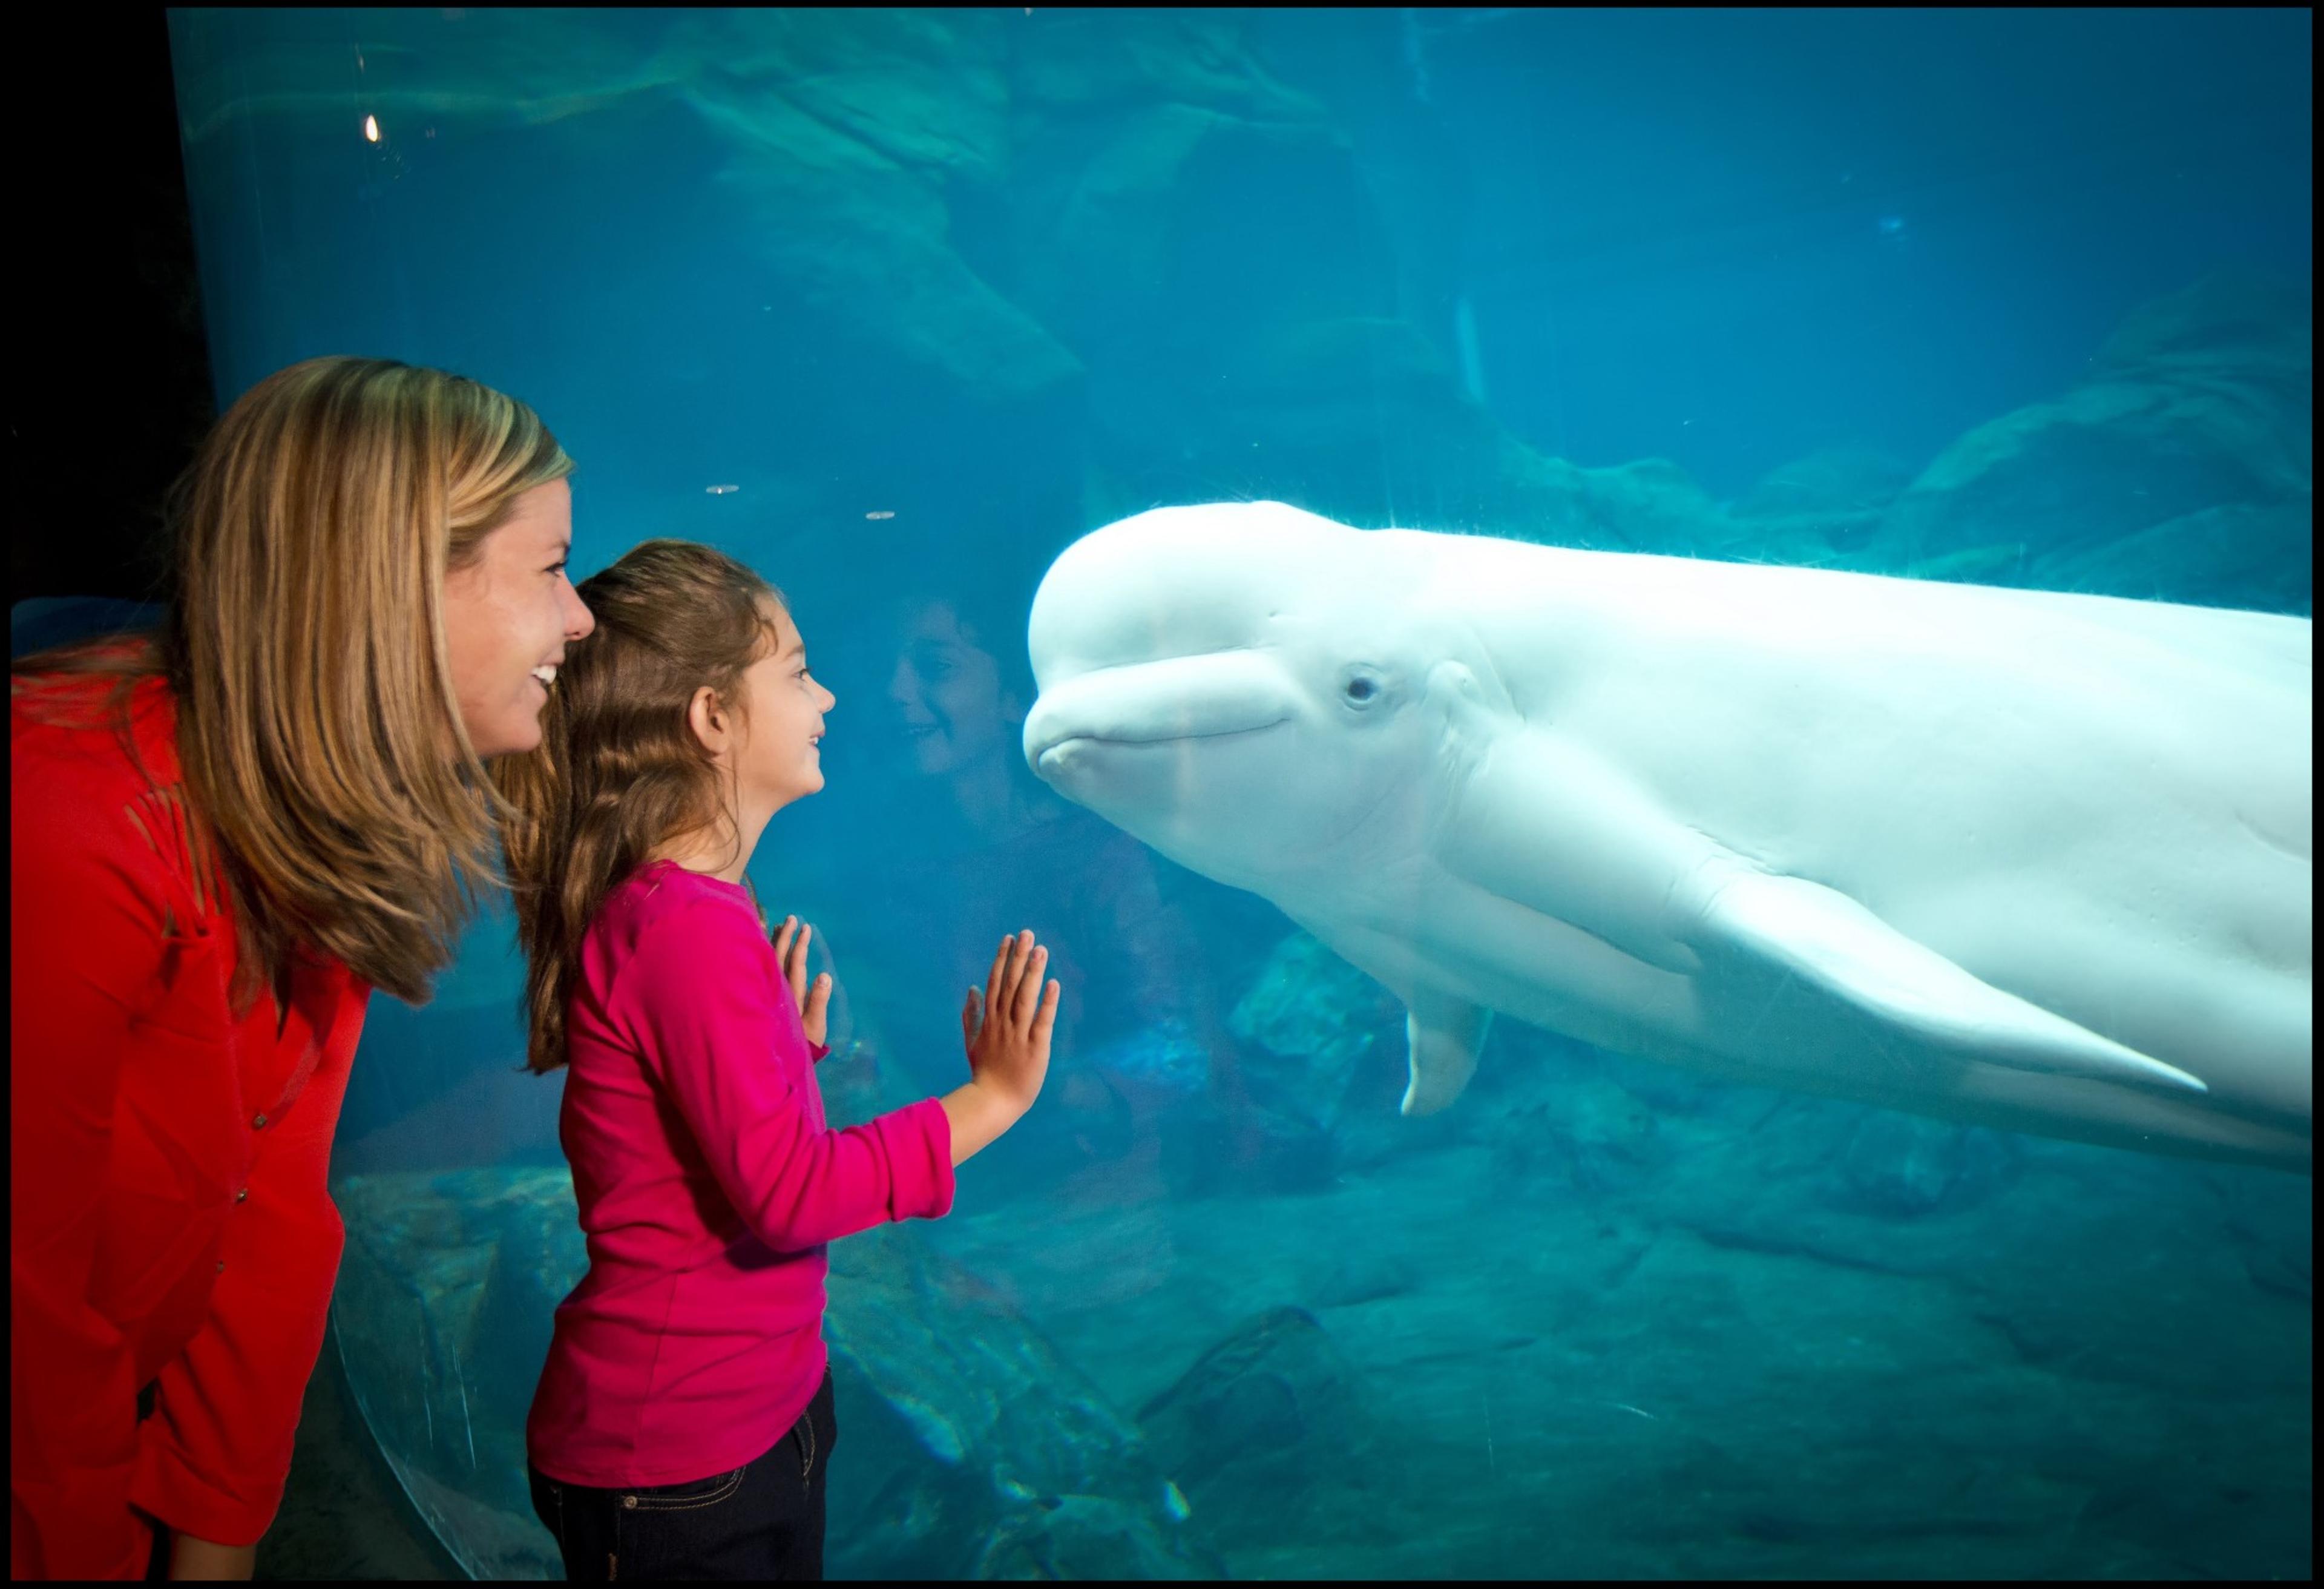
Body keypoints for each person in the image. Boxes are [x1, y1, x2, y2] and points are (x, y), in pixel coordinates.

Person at [10, 356, 596, 1580]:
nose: (581, 617)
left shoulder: (311, 816)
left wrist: (216, 1551)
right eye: (549, 568)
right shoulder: (70, 832)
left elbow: (270, 1211)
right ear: (392, 585)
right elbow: (27, 1321)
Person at [495, 538, 1058, 1581]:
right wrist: (993, 1097)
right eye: (797, 672)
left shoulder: (693, 912)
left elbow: (697, 1159)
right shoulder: (687, 927)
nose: (831, 696)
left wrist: (777, 1056)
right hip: (674, 1461)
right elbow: (792, 1195)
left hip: (746, 1422)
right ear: (711, 717)